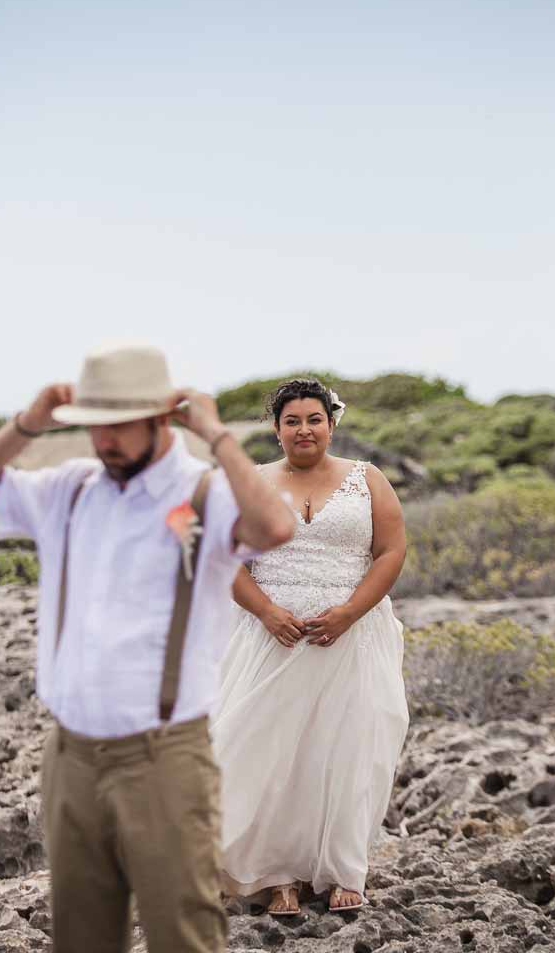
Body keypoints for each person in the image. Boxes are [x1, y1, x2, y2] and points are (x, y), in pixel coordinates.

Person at [0, 341, 295, 953]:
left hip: (162, 756)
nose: (103, 442)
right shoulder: (70, 488)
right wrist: (27, 426)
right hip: (69, 753)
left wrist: (216, 434)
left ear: (161, 418)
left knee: (182, 935)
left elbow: (274, 528)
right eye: (93, 428)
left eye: (117, 428)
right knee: (81, 938)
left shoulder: (204, 494)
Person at [211, 378, 410, 915]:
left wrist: (350, 611)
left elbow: (391, 550)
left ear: (331, 423)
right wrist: (267, 611)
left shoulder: (366, 479)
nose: (304, 429)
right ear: (276, 430)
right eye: (292, 421)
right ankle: (278, 876)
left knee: (347, 746)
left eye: (314, 419)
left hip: (350, 632)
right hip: (273, 634)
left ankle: (345, 869)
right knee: (268, 751)